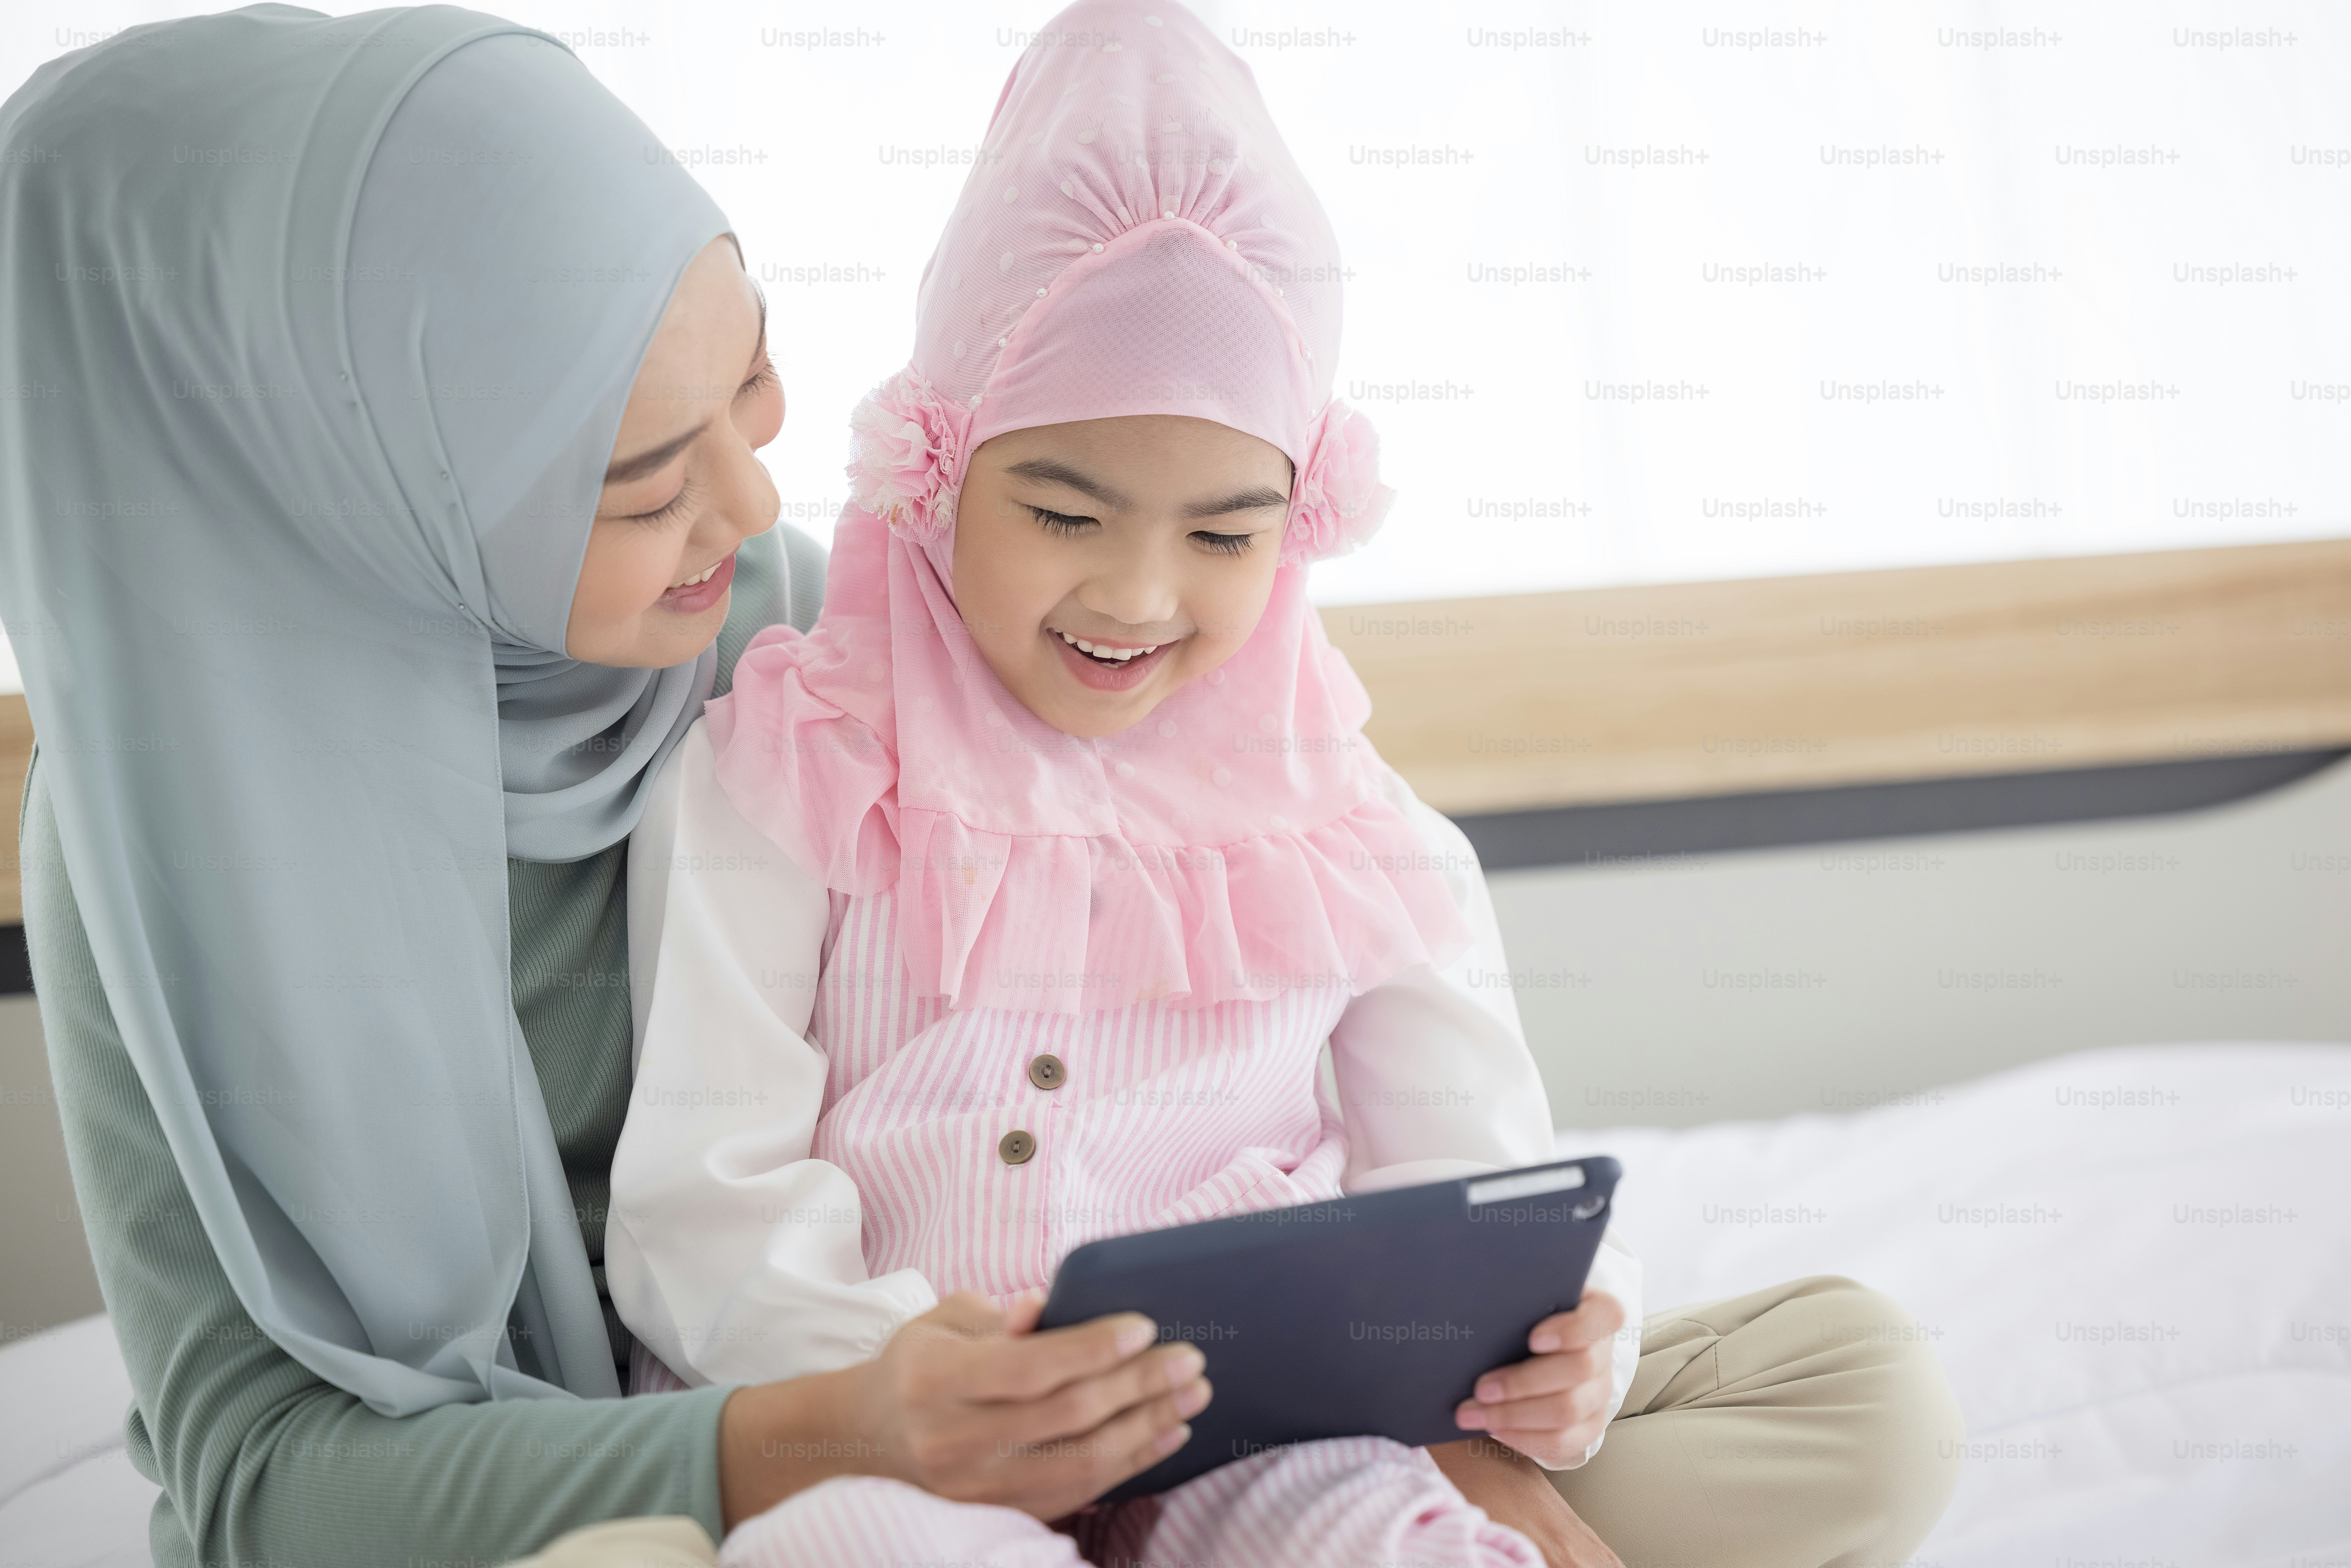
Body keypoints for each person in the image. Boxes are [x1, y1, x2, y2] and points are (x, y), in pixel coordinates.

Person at [604, 4, 1967, 1566]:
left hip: (1263, 1435)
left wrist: (1572, 1342)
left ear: (1300, 519)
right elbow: (700, 1199)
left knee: (1399, 1538)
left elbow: (1480, 1195)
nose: (1134, 592)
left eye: (1224, 533)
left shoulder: (1358, 832)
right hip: (896, 1433)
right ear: (940, 461)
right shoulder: (791, 763)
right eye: (1061, 509)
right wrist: (914, 1386)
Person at [2, 9, 1211, 1565]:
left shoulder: (789, 633)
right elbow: (266, 1476)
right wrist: (832, 1430)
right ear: (377, 491)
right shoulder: (161, 857)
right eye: (641, 481)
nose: (755, 500)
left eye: (757, 382)